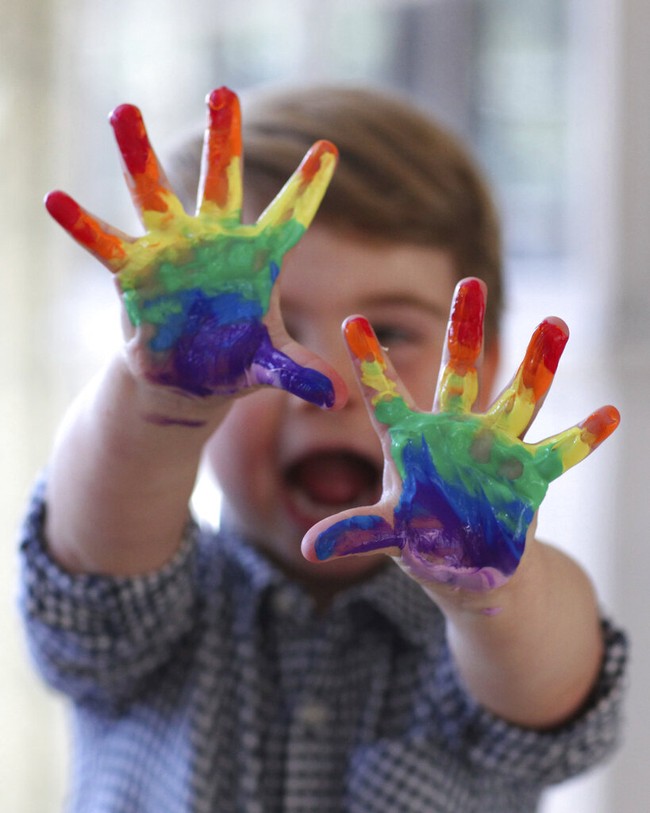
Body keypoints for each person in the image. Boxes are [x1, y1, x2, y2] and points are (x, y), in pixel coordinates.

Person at [19, 85, 627, 813]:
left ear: (487, 371)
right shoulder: (154, 610)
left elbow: (553, 692)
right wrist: (161, 402)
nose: (332, 383)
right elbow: (94, 559)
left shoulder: (489, 641)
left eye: (392, 334)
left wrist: (497, 592)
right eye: (255, 329)